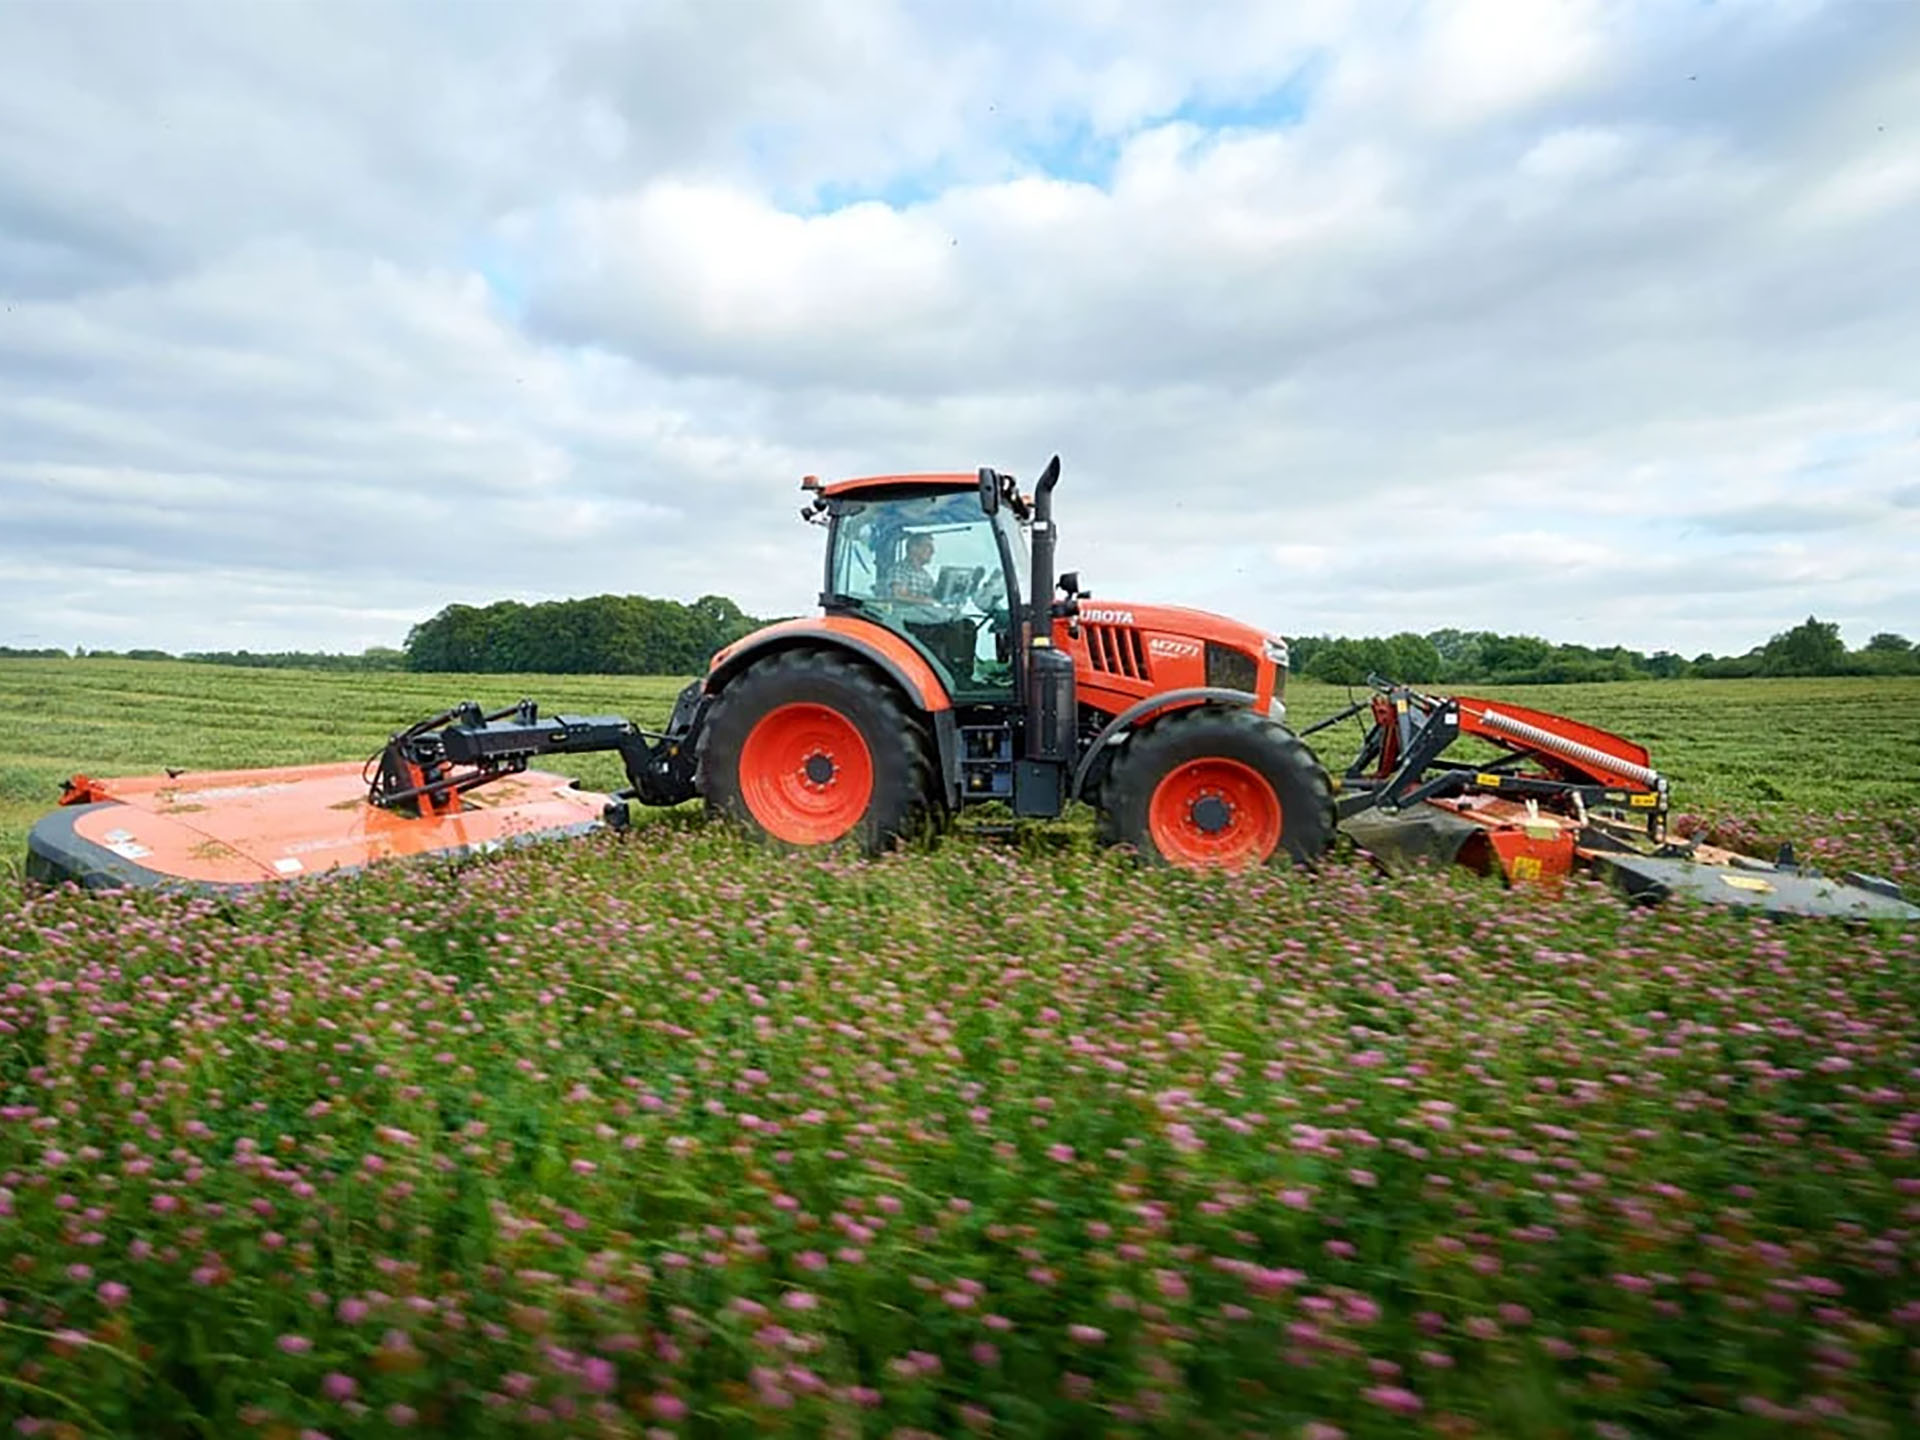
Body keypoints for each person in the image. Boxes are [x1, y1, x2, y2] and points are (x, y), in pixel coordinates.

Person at [890, 533, 941, 608]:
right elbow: (898, 596)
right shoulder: (900, 569)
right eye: (928, 546)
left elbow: (935, 598)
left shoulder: (926, 576)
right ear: (913, 548)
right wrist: (925, 601)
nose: (933, 551)